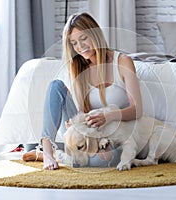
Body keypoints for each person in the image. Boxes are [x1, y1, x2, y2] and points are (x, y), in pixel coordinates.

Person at [22, 12, 143, 170]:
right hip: (89, 130)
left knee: (103, 161)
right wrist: (76, 121)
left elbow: (137, 110)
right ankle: (47, 149)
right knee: (55, 86)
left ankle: (55, 154)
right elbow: (84, 111)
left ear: (95, 33)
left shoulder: (122, 62)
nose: (80, 47)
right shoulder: (79, 66)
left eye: (84, 38)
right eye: (74, 43)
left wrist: (109, 116)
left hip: (113, 133)